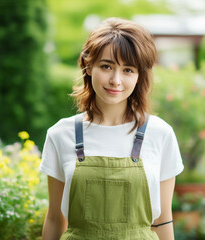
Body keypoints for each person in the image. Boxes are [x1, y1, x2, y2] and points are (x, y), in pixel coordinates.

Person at [40, 17, 184, 240]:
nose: (116, 80)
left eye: (128, 70)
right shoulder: (60, 134)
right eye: (106, 66)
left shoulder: (160, 134)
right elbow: (54, 219)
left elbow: (163, 219)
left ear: (139, 77)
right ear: (88, 66)